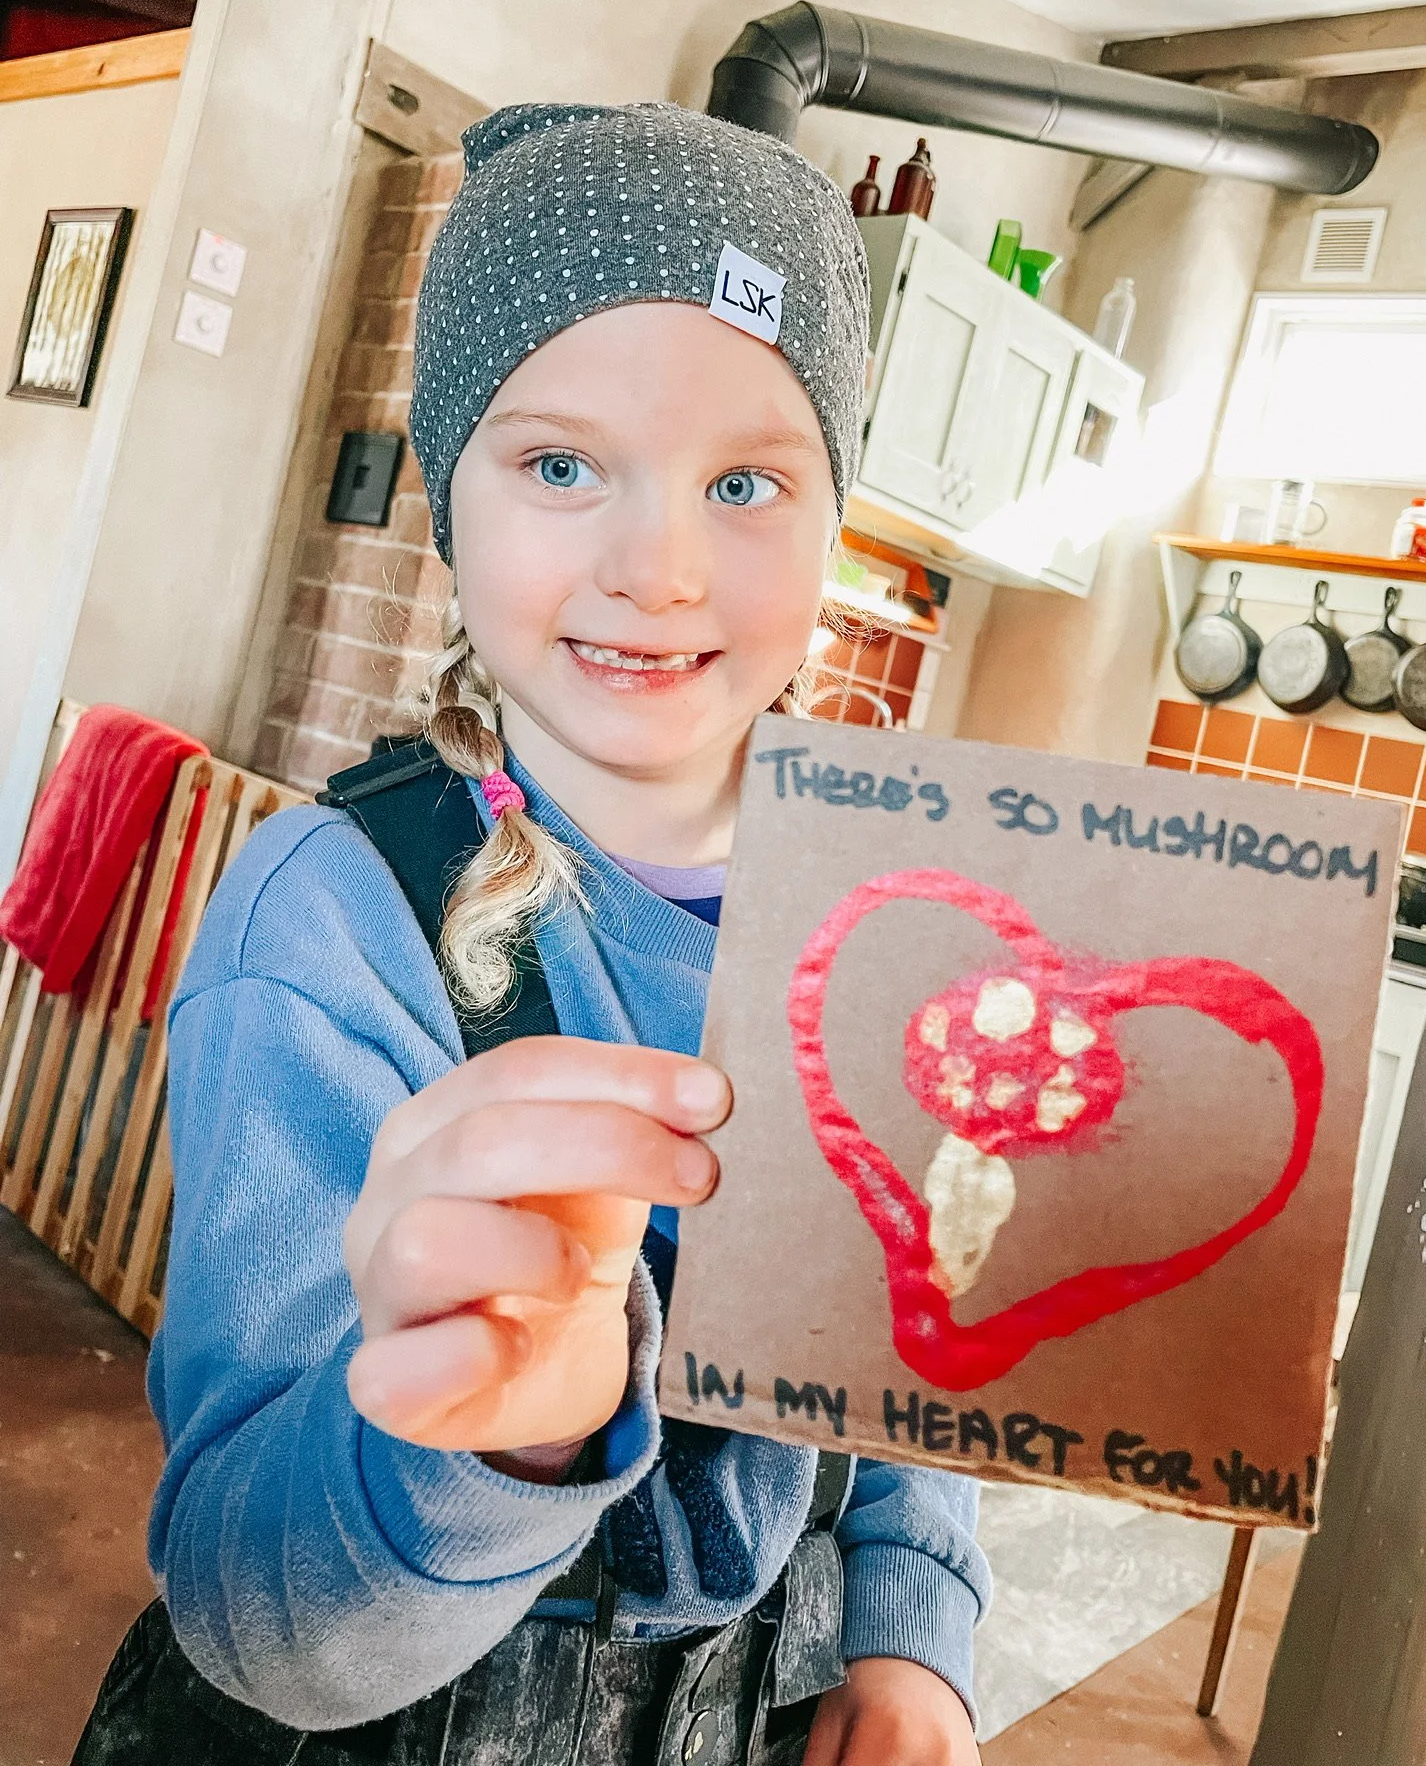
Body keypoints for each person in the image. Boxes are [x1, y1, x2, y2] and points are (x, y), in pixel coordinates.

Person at [73, 103, 988, 1766]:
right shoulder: (336, 918)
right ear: (451, 499)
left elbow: (919, 1344)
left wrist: (912, 1631)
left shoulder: (886, 919)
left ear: (834, 517)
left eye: (745, 480)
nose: (658, 564)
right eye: (562, 465)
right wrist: (494, 1437)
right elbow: (256, 1616)